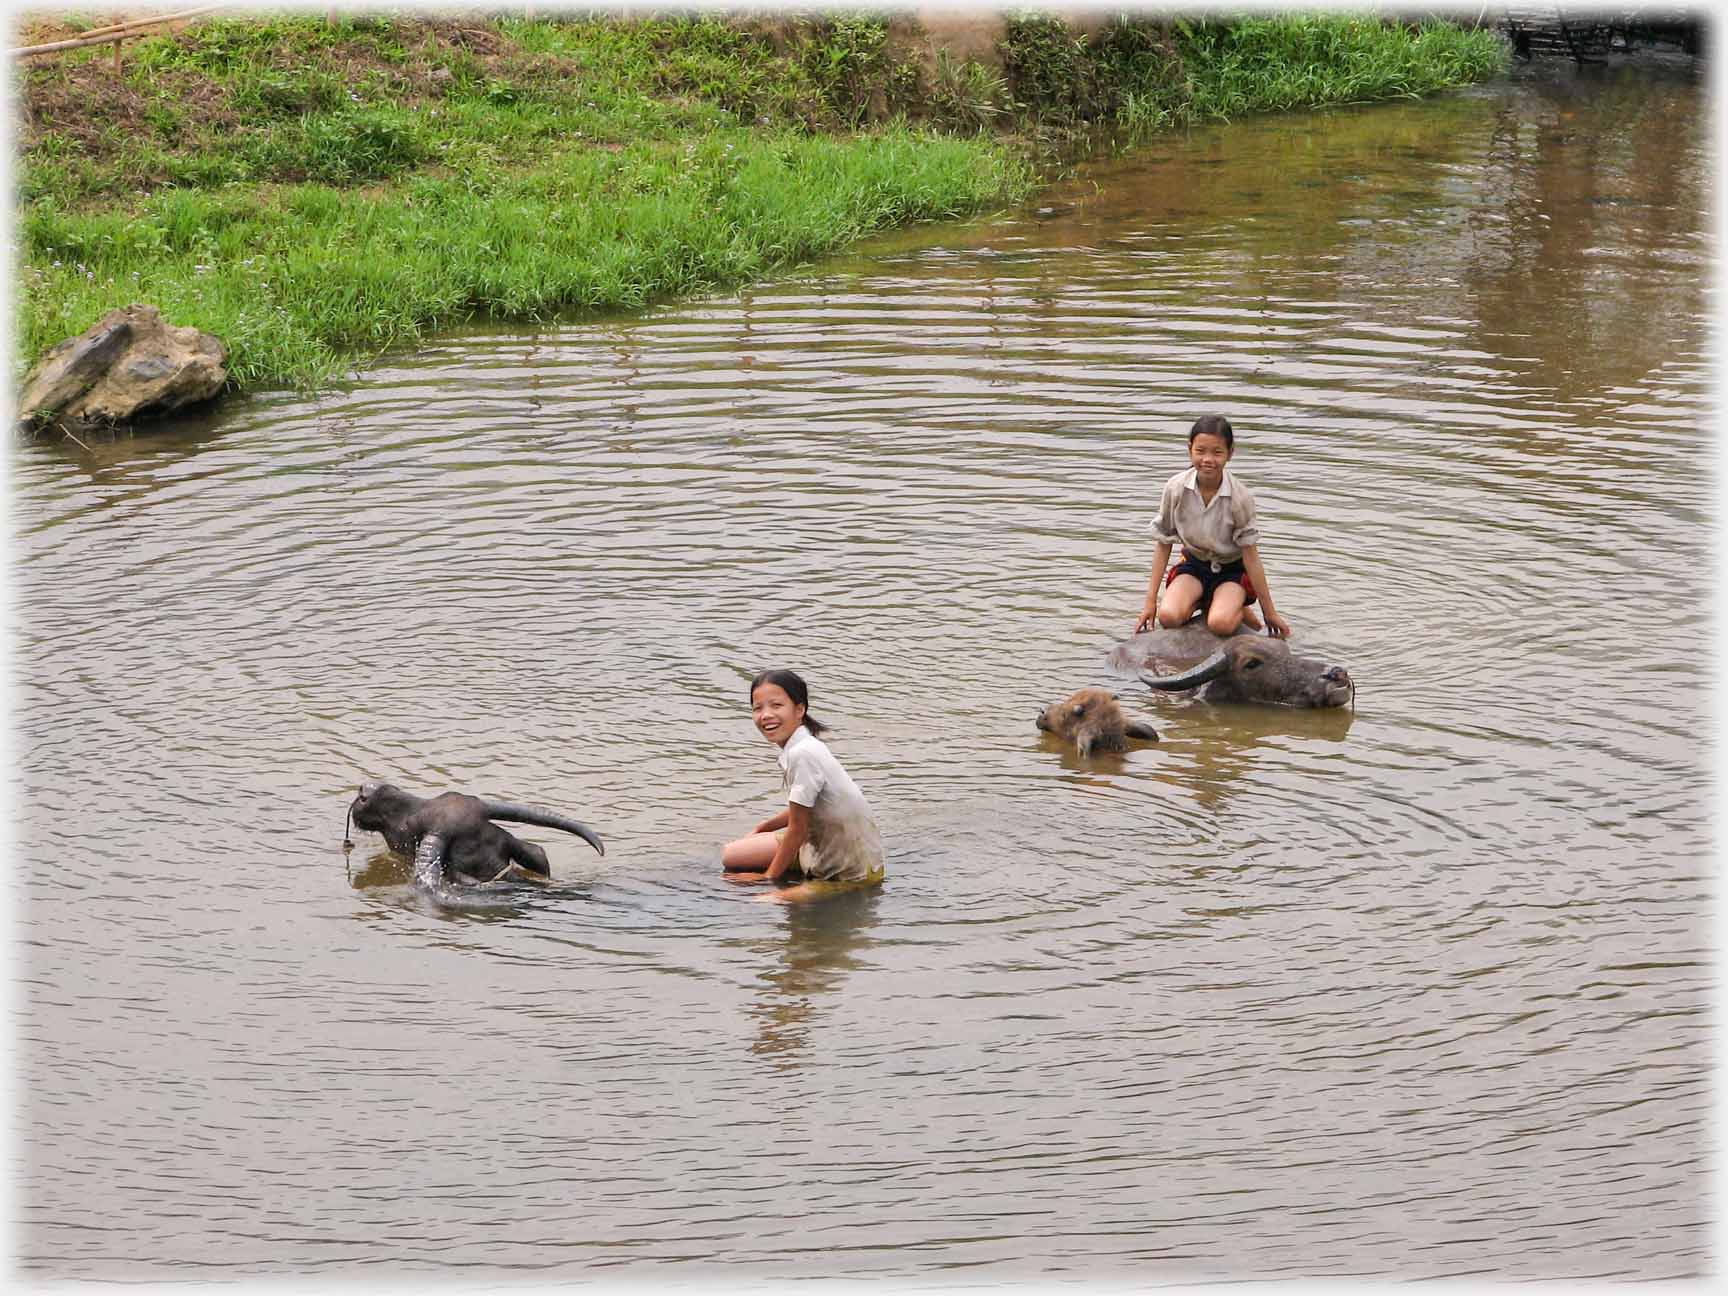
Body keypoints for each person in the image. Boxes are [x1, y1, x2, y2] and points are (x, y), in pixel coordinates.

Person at [721, 669, 885, 902]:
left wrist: (767, 879)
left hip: (849, 872)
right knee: (731, 856)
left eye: (776, 705)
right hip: (813, 845)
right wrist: (765, 826)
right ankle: (790, 873)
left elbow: (797, 829)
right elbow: (808, 807)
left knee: (759, 902)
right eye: (758, 708)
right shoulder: (801, 745)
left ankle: (787, 882)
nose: (766, 715)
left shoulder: (803, 753)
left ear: (800, 710)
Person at [1134, 414, 1291, 639]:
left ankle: (1230, 604)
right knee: (1168, 617)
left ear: (1230, 453)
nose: (1208, 459)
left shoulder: (1240, 497)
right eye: (1201, 451)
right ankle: (1211, 600)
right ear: (1190, 449)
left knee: (1220, 624)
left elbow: (1251, 557)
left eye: (1217, 452)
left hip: (1231, 570)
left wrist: (1270, 614)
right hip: (1195, 565)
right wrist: (1150, 603)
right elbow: (1163, 543)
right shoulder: (1175, 488)